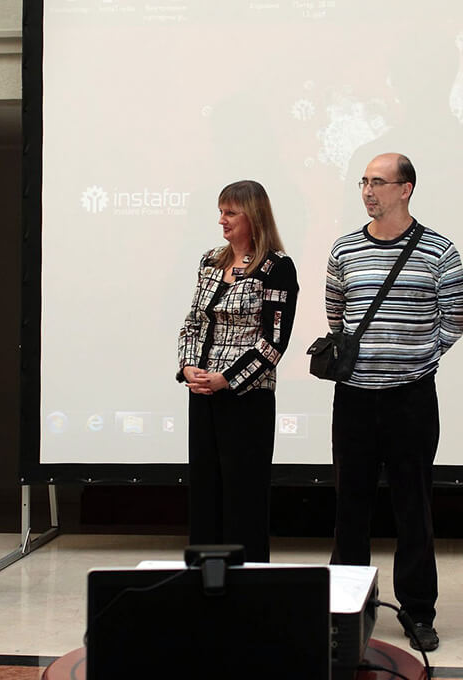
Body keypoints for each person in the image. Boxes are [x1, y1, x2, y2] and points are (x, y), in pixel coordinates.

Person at [326, 153, 463, 652]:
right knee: (350, 508)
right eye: (364, 182)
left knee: (413, 508)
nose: (368, 191)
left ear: (405, 189)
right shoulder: (344, 249)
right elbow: (336, 316)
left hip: (412, 399)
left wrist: (416, 360)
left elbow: (454, 321)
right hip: (355, 399)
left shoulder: (439, 250)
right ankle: (345, 611)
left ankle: (418, 612)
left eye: (379, 182)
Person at [177, 180, 299, 563]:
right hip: (203, 394)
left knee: (244, 497)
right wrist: (189, 367)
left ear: (254, 216)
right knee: (205, 492)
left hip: (247, 399)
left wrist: (227, 379)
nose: (222, 220)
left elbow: (274, 342)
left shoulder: (277, 268)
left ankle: (248, 582)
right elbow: (193, 322)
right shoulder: (210, 260)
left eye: (230, 213)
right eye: (220, 212)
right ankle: (204, 578)